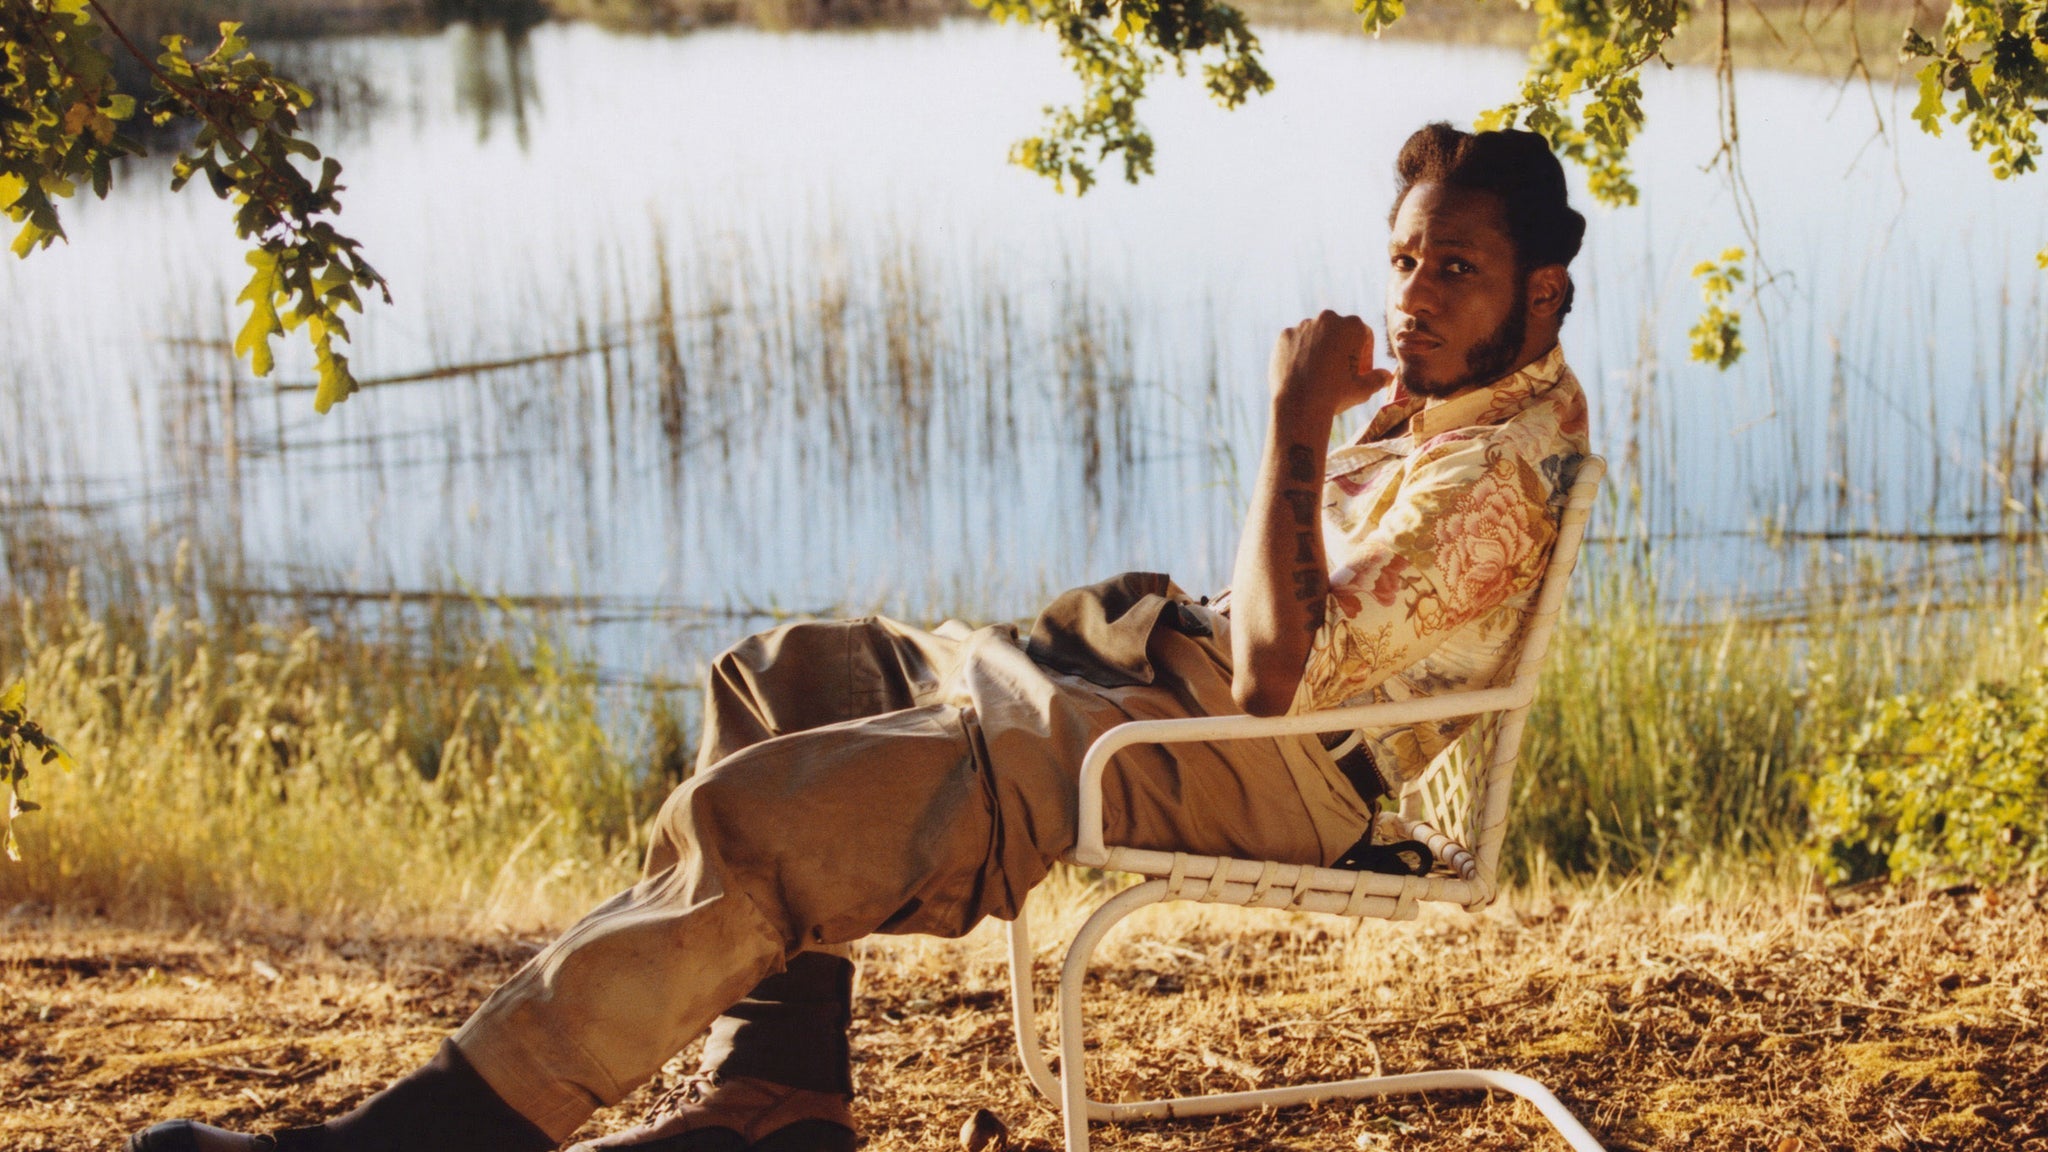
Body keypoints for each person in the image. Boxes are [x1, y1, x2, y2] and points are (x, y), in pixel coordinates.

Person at [128, 120, 1591, 1152]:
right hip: (1178, 690)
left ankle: (420, 1143)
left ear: (1542, 290)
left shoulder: (1495, 481)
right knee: (790, 676)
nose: (1410, 295)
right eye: (1404, 259)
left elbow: (1277, 683)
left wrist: (1289, 420)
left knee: (756, 818)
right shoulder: (1446, 410)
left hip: (1250, 759)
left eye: (1452, 269)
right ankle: (776, 1107)